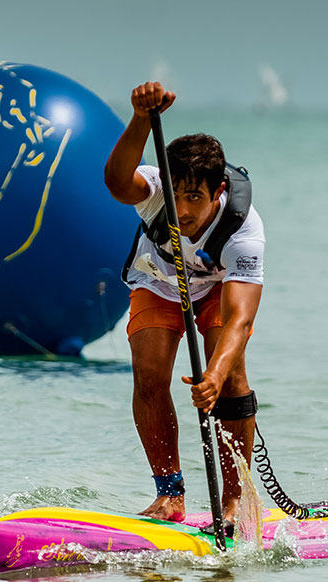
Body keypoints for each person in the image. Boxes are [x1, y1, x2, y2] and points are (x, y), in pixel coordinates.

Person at [103, 82, 265, 524]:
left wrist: (213, 374)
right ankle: (169, 495)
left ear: (218, 193)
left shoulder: (244, 232)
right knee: (149, 375)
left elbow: (239, 319)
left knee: (230, 380)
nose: (182, 208)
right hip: (157, 281)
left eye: (195, 197)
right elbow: (117, 182)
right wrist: (140, 118)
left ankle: (235, 501)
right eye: (176, 194)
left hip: (215, 289)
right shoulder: (156, 190)